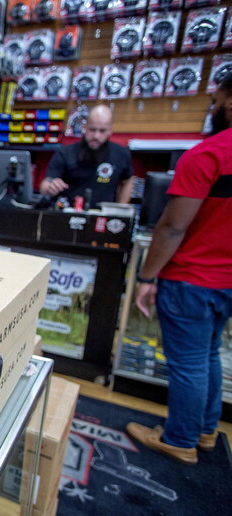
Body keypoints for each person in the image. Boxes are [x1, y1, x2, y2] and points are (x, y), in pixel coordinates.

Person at [128, 75, 232, 465]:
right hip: (226, 281)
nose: (211, 109)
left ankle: (180, 439)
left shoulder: (209, 154)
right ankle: (205, 430)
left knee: (188, 364)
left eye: (215, 101)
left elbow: (173, 226)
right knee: (208, 355)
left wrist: (146, 277)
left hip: (191, 278)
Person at [40, 105, 134, 208]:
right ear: (84, 127)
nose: (96, 136)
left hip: (103, 215)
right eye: (92, 130)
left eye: (102, 131)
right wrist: (50, 187)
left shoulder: (121, 154)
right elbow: (45, 185)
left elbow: (127, 181)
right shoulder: (66, 152)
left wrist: (121, 209)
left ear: (110, 130)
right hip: (69, 212)